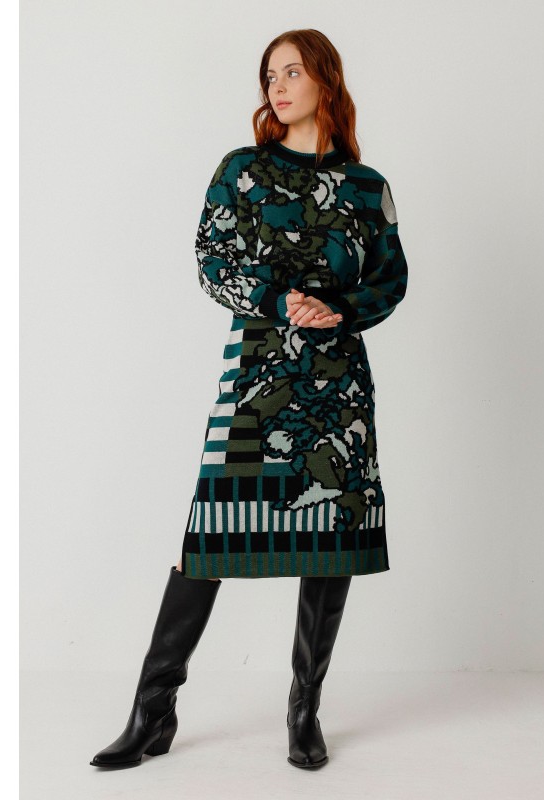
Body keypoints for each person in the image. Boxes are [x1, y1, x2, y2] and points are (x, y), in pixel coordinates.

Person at [90, 28, 408, 771]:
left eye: (293, 72)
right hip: (259, 375)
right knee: (208, 537)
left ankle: (304, 711)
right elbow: (212, 259)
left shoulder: (368, 187)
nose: (278, 86)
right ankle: (153, 711)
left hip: (337, 385)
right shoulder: (243, 171)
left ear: (325, 80)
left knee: (329, 541)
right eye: (270, 75)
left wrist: (339, 308)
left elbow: (391, 278)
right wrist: (279, 298)